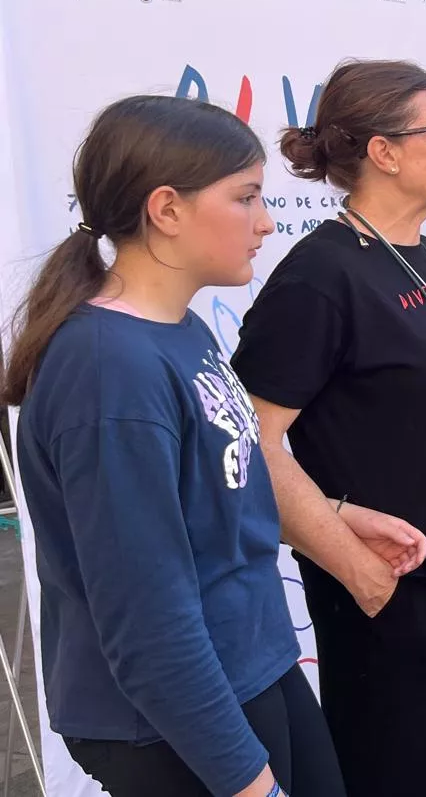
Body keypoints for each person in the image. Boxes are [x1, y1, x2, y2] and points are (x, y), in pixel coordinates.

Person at [9, 96, 343, 796]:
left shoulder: (180, 330)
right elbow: (145, 615)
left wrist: (340, 520)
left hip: (252, 665)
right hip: (175, 719)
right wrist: (247, 782)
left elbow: (225, 494)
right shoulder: (110, 372)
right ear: (167, 210)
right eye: (246, 197)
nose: (266, 221)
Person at [230, 60, 426, 797]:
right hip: (402, 596)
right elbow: (248, 445)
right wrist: (352, 562)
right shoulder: (317, 278)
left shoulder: (418, 253)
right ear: (385, 152)